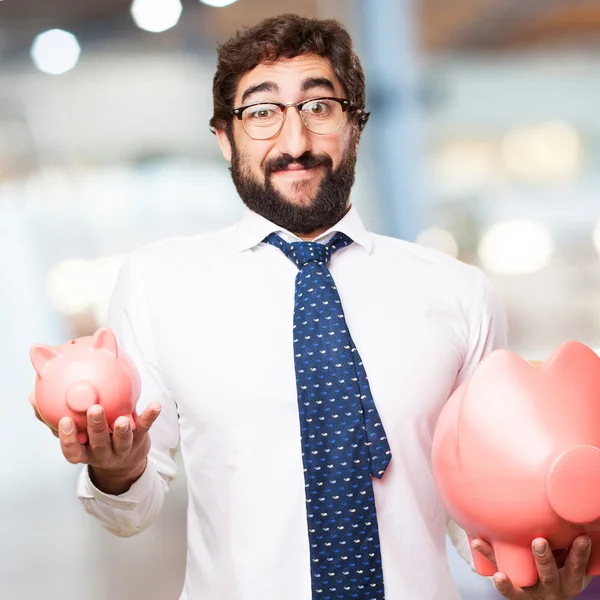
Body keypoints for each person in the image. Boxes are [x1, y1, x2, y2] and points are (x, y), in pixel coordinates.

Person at [31, 13, 592, 600]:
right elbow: (130, 510)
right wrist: (115, 468)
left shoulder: (459, 293)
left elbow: (478, 497)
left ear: (355, 126)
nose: (295, 143)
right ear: (225, 137)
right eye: (262, 112)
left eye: (319, 107)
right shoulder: (158, 284)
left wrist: (527, 573)